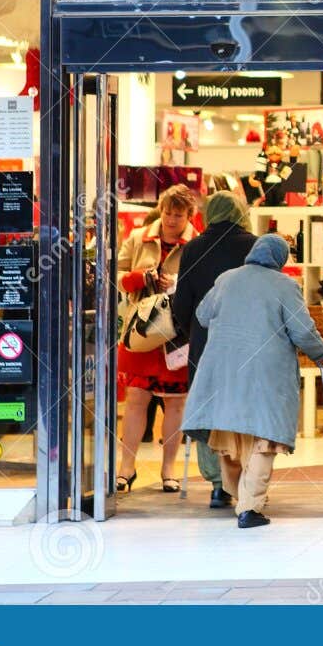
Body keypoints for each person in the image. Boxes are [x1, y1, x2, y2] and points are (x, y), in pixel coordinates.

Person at [183, 234, 323, 528]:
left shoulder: (227, 279)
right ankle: (249, 507)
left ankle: (241, 497)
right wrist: (322, 353)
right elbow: (302, 331)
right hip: (267, 374)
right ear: (280, 258)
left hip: (224, 370)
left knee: (229, 436)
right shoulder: (285, 285)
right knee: (264, 437)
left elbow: (202, 315)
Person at [170, 190, 257, 510]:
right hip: (250, 343)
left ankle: (219, 484)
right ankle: (248, 478)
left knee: (209, 409)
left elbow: (181, 304)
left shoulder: (192, 248)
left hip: (206, 344)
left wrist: (192, 330)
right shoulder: (255, 245)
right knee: (246, 407)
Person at [115, 184, 198, 493]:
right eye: (167, 213)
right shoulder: (138, 238)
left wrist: (175, 285)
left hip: (176, 334)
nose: (171, 220)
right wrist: (141, 277)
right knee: (136, 399)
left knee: (176, 404)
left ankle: (168, 469)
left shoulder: (196, 244)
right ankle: (126, 467)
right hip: (141, 331)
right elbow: (115, 276)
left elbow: (202, 286)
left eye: (178, 215)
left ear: (189, 215)